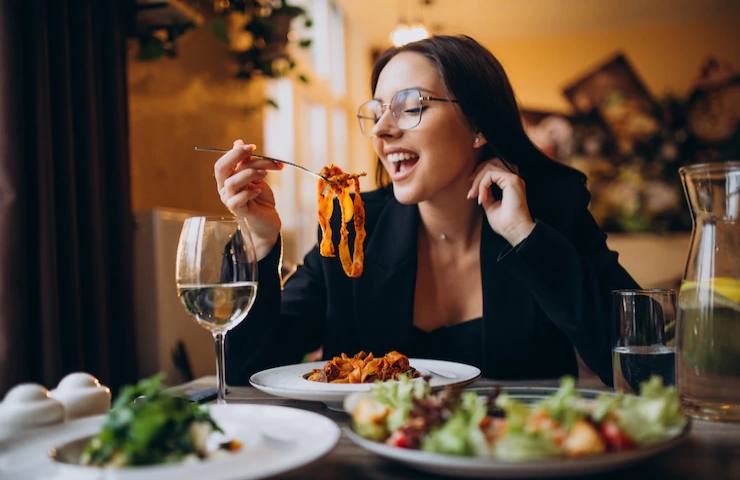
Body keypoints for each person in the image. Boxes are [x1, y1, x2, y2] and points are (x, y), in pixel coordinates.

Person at [213, 35, 638, 386]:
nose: (382, 129)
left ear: (478, 127)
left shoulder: (549, 212)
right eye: (377, 112)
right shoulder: (352, 228)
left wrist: (523, 236)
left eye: (411, 106)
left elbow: (638, 364)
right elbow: (245, 369)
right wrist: (261, 242)